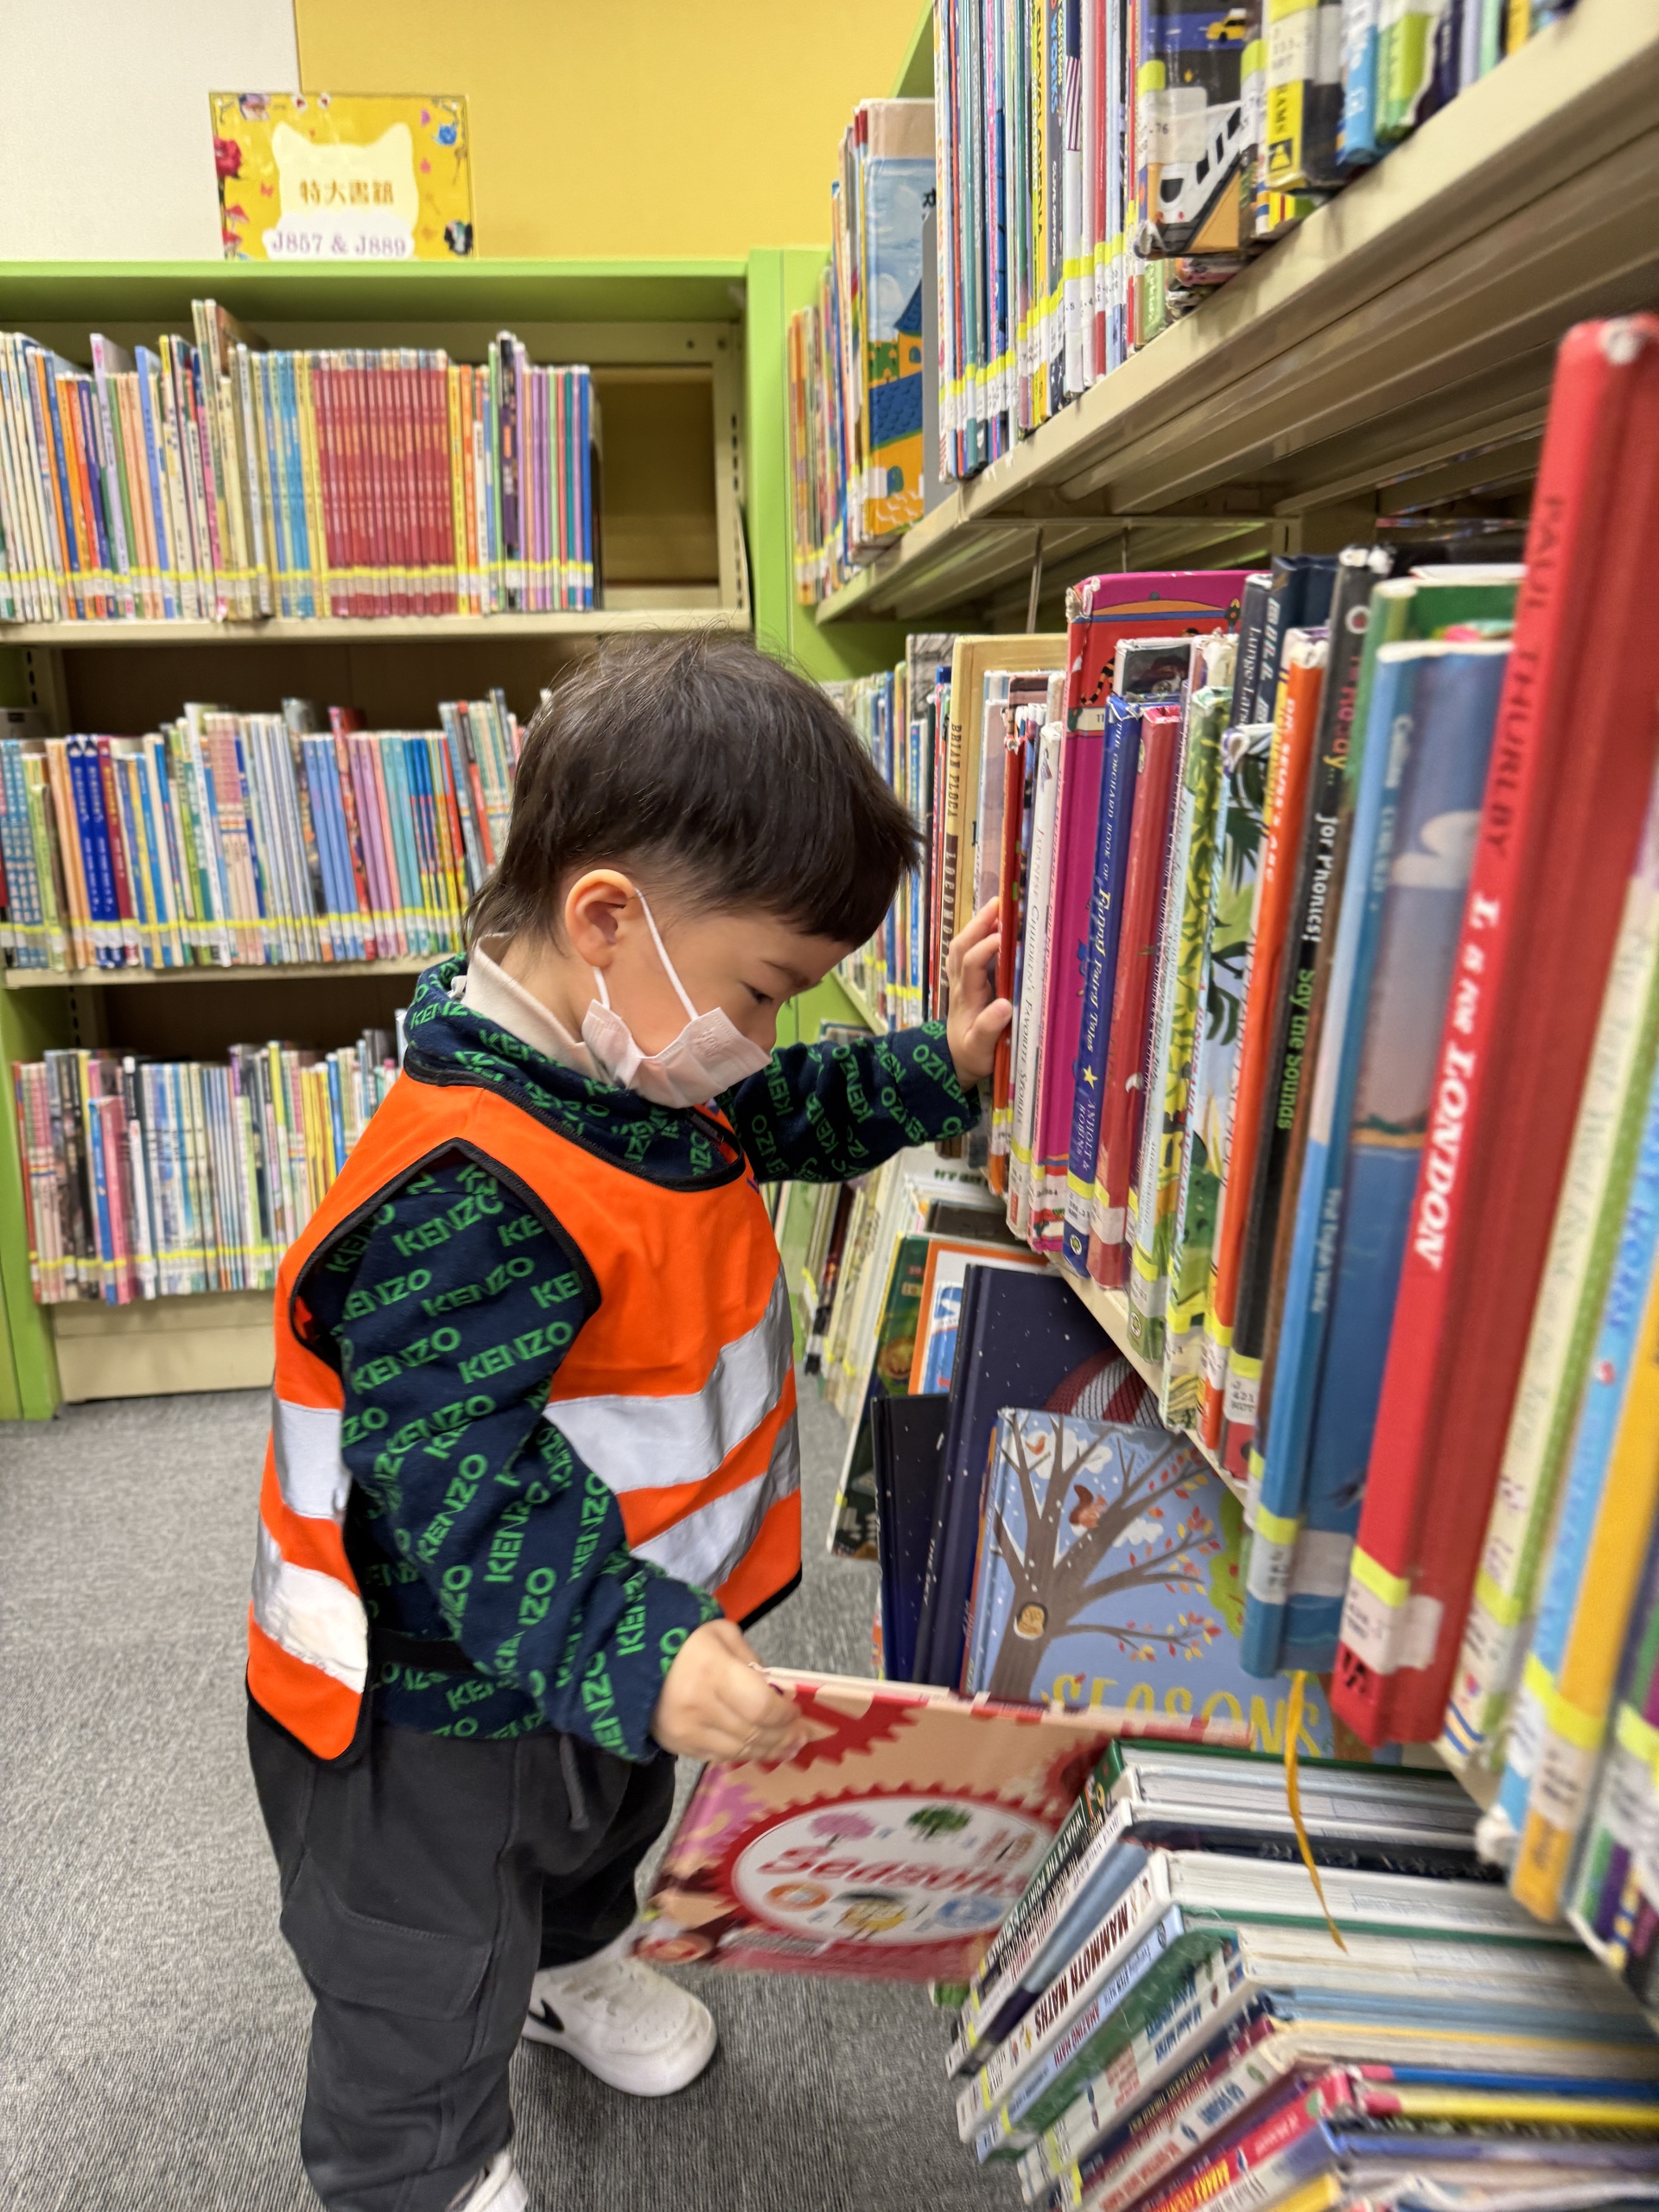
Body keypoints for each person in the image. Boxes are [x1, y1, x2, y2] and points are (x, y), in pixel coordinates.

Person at [245, 632, 1014, 2212]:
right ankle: (416, 2171)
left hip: (604, 1632)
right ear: (607, 919)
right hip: (427, 1704)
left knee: (603, 1828)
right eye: (762, 990)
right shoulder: (468, 1185)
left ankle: (575, 1963)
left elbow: (769, 1114)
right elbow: (452, 1480)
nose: (762, 1035)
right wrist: (634, 1647)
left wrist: (936, 1069)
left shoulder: (628, 1066)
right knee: (427, 1959)